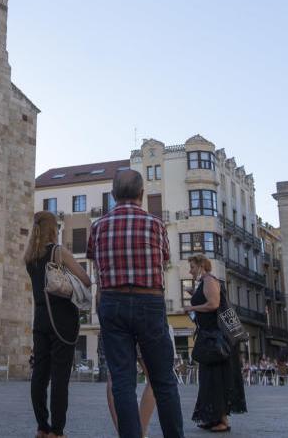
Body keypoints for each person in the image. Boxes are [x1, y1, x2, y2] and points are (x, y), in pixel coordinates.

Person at [86, 169, 184, 438]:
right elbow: (164, 259)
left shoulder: (98, 226)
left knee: (122, 381)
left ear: (114, 195)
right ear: (142, 194)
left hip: (112, 302)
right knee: (163, 379)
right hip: (149, 302)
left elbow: (96, 265)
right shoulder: (156, 224)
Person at [26, 210, 91, 438]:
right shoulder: (58, 251)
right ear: (54, 229)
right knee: (60, 377)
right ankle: (57, 431)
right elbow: (85, 278)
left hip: (40, 318)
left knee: (40, 375)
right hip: (61, 319)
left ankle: (42, 427)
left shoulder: (30, 256)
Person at [185, 254, 245, 433]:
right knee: (208, 379)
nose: (190, 271)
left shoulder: (210, 280)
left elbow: (213, 304)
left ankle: (223, 421)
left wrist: (191, 307)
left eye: (192, 267)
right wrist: (193, 295)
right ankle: (213, 418)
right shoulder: (204, 282)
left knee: (217, 378)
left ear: (202, 265)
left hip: (216, 337)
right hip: (209, 336)